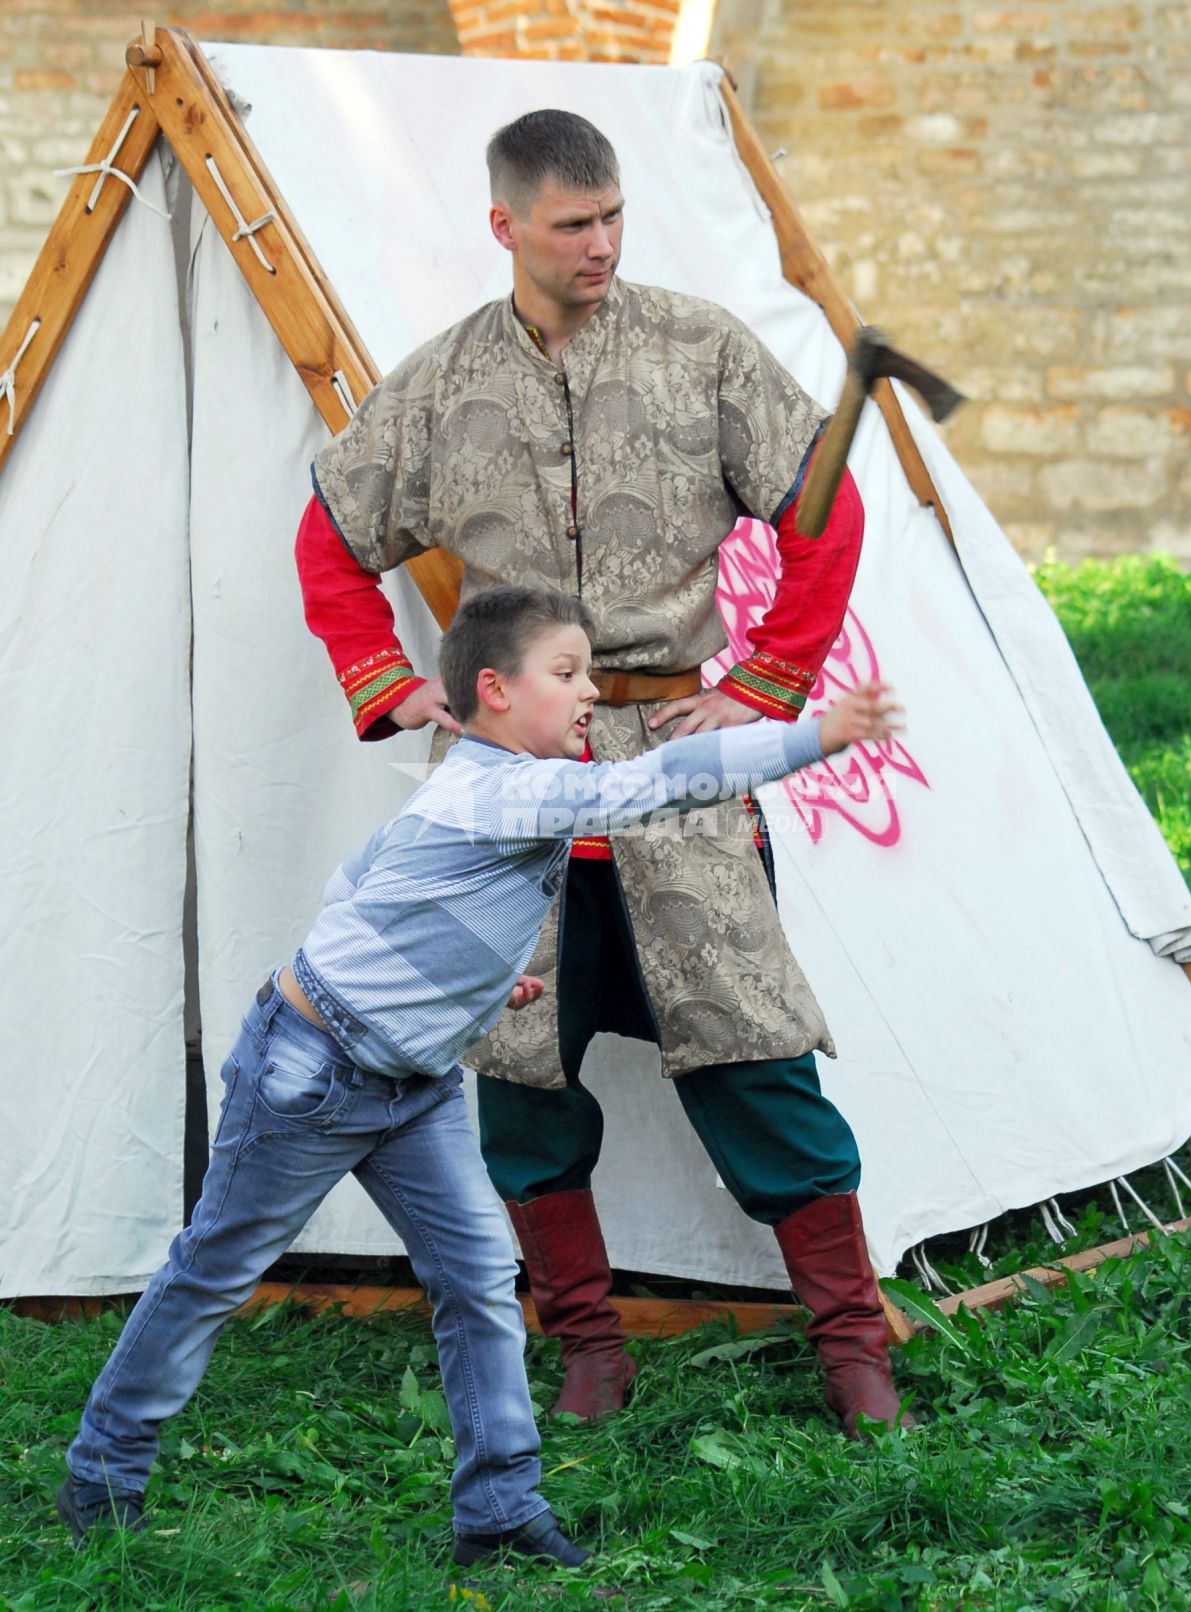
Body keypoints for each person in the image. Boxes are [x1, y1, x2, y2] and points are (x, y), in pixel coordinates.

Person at [57, 587, 902, 1558]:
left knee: (476, 1277)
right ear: (494, 690)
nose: (591, 691)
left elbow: (361, 885)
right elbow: (659, 781)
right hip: (311, 1069)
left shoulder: (472, 781)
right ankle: (102, 1471)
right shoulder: (510, 788)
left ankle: (499, 1511)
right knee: (213, 1268)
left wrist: (460, 984)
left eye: (588, 670)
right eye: (567, 672)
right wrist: (812, 734)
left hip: (407, 1078)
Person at [295, 109, 910, 1436]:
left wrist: (764, 682)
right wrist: (386, 683)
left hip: (676, 767)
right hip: (512, 795)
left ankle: (854, 1348)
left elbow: (823, 504)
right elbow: (331, 537)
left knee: (754, 1048)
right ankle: (587, 1345)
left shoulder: (701, 349)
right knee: (519, 1073)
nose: (602, 244)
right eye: (574, 223)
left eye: (614, 216)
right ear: (506, 223)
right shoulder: (439, 383)